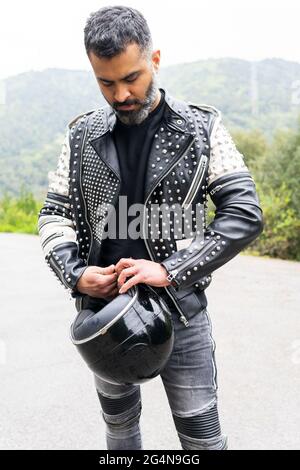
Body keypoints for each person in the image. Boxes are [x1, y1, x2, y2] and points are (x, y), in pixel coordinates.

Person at [38, 5, 263, 450]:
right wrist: (76, 274)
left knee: (202, 439)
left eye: (132, 77)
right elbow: (53, 216)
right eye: (106, 82)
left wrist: (173, 269)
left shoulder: (202, 127)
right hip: (104, 322)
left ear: (155, 59)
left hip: (182, 312)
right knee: (120, 434)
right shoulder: (80, 135)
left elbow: (244, 212)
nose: (121, 94)